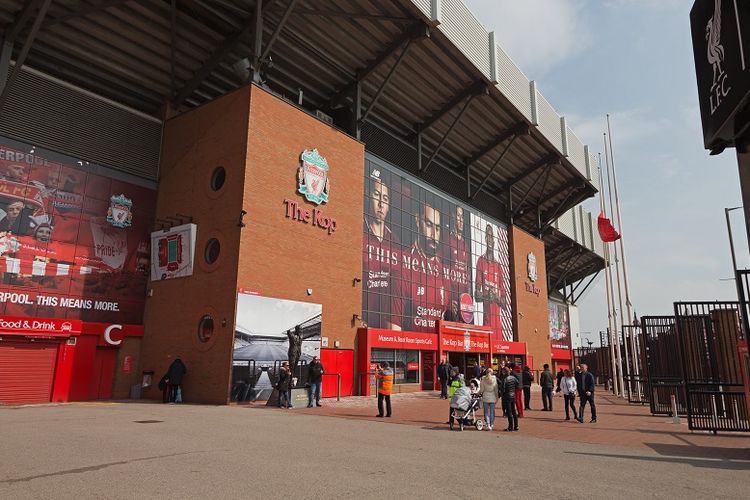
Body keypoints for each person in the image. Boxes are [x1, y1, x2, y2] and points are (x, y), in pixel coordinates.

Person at [391, 198, 448, 331]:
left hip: (436, 350)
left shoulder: (442, 273)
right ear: (417, 220)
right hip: (411, 349)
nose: (434, 234)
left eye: (438, 228)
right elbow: (393, 329)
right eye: (429, 224)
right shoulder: (403, 266)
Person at [363, 172, 400, 329]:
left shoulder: (395, 242)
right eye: (376, 195)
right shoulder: (360, 233)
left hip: (386, 327)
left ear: (389, 205)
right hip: (362, 324)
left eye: (385, 199)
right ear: (368, 195)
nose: (380, 204)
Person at [475, 224, 506, 337]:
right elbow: (477, 295)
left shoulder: (498, 266)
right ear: (485, 239)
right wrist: (487, 295)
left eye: (491, 237)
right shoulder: (481, 261)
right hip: (486, 325)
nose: (489, 239)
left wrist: (496, 298)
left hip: (499, 329)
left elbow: (505, 304)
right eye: (487, 236)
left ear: (494, 241)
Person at [445, 205, 471, 322]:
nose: (460, 220)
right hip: (452, 305)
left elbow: (467, 275)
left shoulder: (465, 245)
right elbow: (441, 271)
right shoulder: (447, 240)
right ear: (453, 217)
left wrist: (468, 301)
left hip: (464, 306)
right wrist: (447, 301)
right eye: (458, 216)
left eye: (462, 217)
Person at [499, 367, 519, 432]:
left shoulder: (504, 379)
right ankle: (516, 426)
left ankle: (510, 427)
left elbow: (503, 389)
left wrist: (502, 395)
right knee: (513, 411)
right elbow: (517, 384)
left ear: (504, 372)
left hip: (507, 397)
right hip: (513, 396)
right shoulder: (513, 378)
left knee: (509, 412)